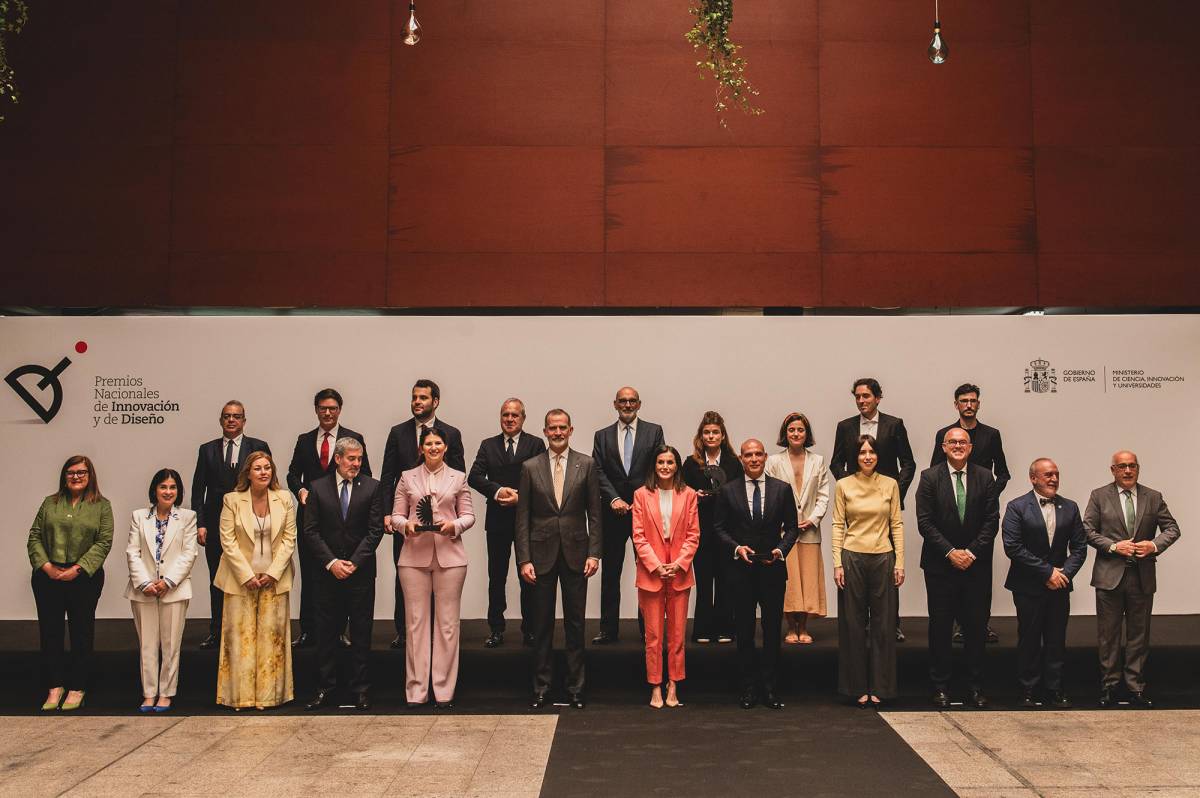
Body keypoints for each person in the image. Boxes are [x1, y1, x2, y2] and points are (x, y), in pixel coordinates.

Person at [516, 409, 602, 709]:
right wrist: (523, 559)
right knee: (541, 626)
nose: (557, 432)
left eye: (562, 427)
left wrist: (594, 553)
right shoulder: (530, 467)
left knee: (575, 625)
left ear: (571, 430)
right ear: (544, 431)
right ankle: (542, 687)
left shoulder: (586, 464)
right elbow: (522, 517)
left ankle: (576, 687)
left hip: (577, 554)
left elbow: (595, 513)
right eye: (552, 428)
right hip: (539, 556)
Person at [1083, 451, 1181, 708]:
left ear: (1138, 468)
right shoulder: (1099, 496)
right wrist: (1113, 546)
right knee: (1109, 635)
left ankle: (1135, 688)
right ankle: (1109, 687)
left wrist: (1154, 545)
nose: (1128, 471)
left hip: (1142, 577)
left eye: (1132, 466)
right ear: (1113, 470)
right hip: (1109, 577)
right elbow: (1087, 530)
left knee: (1139, 635)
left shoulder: (1153, 497)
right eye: (1122, 466)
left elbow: (1172, 528)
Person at [713, 439, 800, 710]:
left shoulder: (782, 489)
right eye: (748, 455)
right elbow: (718, 528)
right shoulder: (728, 491)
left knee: (772, 631)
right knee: (744, 632)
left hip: (772, 571)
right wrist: (736, 548)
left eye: (758, 454)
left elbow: (793, 528)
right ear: (741, 459)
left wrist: (780, 550)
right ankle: (748, 689)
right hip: (741, 572)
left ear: (765, 457)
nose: (753, 459)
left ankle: (771, 689)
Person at [915, 428, 999, 708]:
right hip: (940, 566)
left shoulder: (985, 477)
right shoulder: (929, 477)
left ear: (971, 447)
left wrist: (970, 553)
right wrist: (951, 552)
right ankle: (940, 687)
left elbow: (992, 521)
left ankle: (975, 688)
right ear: (943, 446)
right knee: (940, 629)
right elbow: (925, 522)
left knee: (976, 629)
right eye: (953, 442)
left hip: (976, 567)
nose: (958, 446)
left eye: (963, 442)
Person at [390, 426, 474, 708]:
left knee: (448, 625)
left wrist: (454, 525)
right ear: (421, 448)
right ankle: (416, 691)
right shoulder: (406, 478)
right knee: (415, 625)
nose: (434, 447)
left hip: (450, 558)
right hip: (414, 557)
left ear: (445, 447)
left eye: (438, 443)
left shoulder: (458, 477)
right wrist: (406, 526)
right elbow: (396, 516)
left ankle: (444, 690)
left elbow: (468, 515)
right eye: (429, 444)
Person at [380, 379, 465, 649]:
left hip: (443, 526)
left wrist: (455, 521)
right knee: (405, 575)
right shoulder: (398, 433)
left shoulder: (451, 434)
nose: (417, 402)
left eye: (423, 398)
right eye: (414, 397)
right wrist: (387, 514)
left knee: (442, 581)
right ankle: (405, 632)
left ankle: (437, 634)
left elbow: (460, 476)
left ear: (435, 402)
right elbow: (387, 476)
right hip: (408, 521)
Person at [302, 437, 386, 711]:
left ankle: (361, 690)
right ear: (337, 459)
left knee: (361, 633)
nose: (356, 463)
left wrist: (354, 563)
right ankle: (325, 688)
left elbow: (375, 531)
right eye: (351, 458)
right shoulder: (318, 488)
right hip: (327, 575)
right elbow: (310, 531)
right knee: (326, 634)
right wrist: (332, 562)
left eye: (359, 459)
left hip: (360, 574)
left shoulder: (372, 487)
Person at [830, 378, 915, 642]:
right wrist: (852, 486)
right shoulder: (845, 426)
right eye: (857, 396)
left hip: (884, 504)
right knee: (856, 563)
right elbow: (836, 463)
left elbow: (908, 463)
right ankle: (859, 625)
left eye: (866, 396)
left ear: (878, 398)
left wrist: (893, 492)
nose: (861, 401)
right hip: (856, 505)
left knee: (889, 566)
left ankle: (891, 623)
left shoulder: (894, 424)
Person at [286, 387, 371, 649]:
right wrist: (300, 490)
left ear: (339, 410)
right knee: (311, 573)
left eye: (332, 408)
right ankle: (308, 630)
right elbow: (292, 474)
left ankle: (339, 631)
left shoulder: (353, 438)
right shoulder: (304, 440)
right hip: (311, 518)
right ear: (316, 410)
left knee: (342, 574)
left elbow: (365, 476)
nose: (327, 413)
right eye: (323, 408)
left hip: (343, 519)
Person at [28, 455, 113, 712]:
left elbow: (104, 542)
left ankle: (77, 687)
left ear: (90, 476)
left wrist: (77, 569)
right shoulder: (50, 503)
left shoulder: (102, 506)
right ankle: (54, 687)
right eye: (71, 472)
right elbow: (34, 537)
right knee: (50, 633)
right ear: (64, 476)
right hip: (48, 577)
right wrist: (47, 567)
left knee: (81, 632)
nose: (76, 477)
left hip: (84, 578)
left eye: (81, 472)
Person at [1001, 458, 1087, 709]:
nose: (1054, 479)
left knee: (1056, 639)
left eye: (1056, 474)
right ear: (1033, 478)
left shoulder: (1070, 507)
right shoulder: (1017, 507)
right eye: (1048, 474)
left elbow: (1080, 548)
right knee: (1029, 638)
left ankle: (1054, 688)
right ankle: (1028, 689)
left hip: (1059, 586)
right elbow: (1013, 547)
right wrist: (1047, 572)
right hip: (1028, 586)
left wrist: (1063, 574)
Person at [214, 451, 296, 710]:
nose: (264, 472)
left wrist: (272, 572)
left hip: (274, 578)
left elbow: (289, 539)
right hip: (240, 580)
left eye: (267, 468)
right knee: (241, 640)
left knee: (272, 639)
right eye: (258, 468)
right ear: (247, 473)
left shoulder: (284, 499)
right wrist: (246, 575)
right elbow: (227, 540)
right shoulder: (232, 500)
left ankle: (270, 697)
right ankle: (239, 697)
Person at [929, 382, 1010, 645]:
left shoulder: (991, 435)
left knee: (980, 575)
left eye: (973, 401)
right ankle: (958, 626)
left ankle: (980, 625)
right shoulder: (945, 434)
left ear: (978, 404)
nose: (968, 405)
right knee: (949, 575)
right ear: (956, 405)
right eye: (964, 401)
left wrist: (988, 496)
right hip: (950, 516)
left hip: (980, 515)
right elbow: (934, 472)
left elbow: (1003, 473)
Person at [191, 400, 271, 649]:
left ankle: (247, 631)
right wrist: (200, 523)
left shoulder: (258, 446)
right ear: (221, 420)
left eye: (236, 416)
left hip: (249, 525)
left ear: (244, 420)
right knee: (218, 578)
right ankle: (217, 631)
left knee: (248, 577)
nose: (231, 420)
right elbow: (198, 490)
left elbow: (267, 484)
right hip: (215, 524)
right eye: (227, 416)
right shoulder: (207, 450)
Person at [832, 435, 905, 708]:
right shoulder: (843, 485)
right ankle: (856, 687)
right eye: (862, 452)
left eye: (871, 452)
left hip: (883, 557)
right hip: (852, 556)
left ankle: (882, 687)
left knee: (884, 626)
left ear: (878, 455)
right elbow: (837, 524)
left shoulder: (890, 484)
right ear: (855, 456)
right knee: (852, 625)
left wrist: (900, 562)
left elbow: (896, 524)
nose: (867, 457)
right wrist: (837, 563)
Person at [468, 398, 547, 648]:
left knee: (529, 578)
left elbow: (542, 479)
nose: (510, 419)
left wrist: (521, 497)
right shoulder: (488, 445)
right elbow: (474, 476)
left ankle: (530, 629)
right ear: (500, 417)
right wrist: (498, 491)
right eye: (505, 415)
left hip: (527, 521)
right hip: (497, 521)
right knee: (496, 577)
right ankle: (496, 629)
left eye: (515, 415)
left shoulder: (536, 444)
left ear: (523, 418)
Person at [591, 386, 665, 644]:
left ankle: (648, 629)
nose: (627, 405)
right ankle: (608, 629)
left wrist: (642, 499)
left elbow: (659, 467)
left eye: (632, 401)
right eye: (622, 401)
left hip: (645, 512)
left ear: (639, 404)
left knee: (647, 572)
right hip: (613, 513)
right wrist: (614, 498)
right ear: (615, 404)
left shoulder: (654, 432)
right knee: (611, 573)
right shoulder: (602, 436)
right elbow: (597, 470)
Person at [631, 445, 700, 709]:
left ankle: (674, 683)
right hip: (652, 571)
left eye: (670, 462)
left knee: (677, 634)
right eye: (661, 462)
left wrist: (679, 564)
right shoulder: (641, 495)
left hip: (679, 570)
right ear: (654, 465)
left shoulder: (689, 494)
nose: (665, 467)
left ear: (677, 466)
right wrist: (656, 565)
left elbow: (693, 534)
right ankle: (655, 686)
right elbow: (638, 536)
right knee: (653, 636)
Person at [125, 468, 199, 713]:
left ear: (178, 491)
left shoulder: (187, 517)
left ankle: (166, 693)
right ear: (154, 490)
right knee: (147, 645)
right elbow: (132, 552)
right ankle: (148, 693)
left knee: (171, 645)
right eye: (163, 487)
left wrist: (167, 582)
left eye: (173, 487)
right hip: (143, 590)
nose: (168, 491)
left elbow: (189, 553)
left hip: (174, 590)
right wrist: (145, 583)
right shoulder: (139, 516)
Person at [764, 412, 829, 645]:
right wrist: (782, 521)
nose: (796, 433)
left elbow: (823, 495)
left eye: (800, 429)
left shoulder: (818, 461)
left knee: (808, 580)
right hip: (783, 532)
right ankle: (791, 627)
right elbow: (769, 494)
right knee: (789, 581)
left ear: (807, 433)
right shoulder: (773, 461)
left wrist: (812, 519)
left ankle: (804, 627)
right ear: (785, 433)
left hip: (810, 530)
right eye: (791, 430)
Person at [680, 411, 742, 644]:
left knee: (726, 580)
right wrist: (693, 495)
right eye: (706, 432)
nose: (711, 436)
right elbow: (681, 492)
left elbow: (740, 493)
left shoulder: (734, 463)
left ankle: (726, 629)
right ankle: (703, 630)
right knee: (704, 582)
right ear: (701, 436)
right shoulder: (690, 463)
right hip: (701, 529)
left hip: (728, 529)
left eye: (715, 432)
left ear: (723, 436)